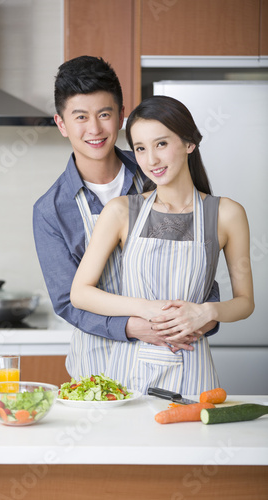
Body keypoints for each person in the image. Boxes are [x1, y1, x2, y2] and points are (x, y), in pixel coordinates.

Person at [33, 56, 219, 380]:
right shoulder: (52, 210)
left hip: (176, 356)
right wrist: (135, 327)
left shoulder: (156, 170)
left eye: (104, 114)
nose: (94, 129)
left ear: (121, 116)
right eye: (80, 117)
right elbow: (68, 301)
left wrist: (204, 315)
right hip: (97, 368)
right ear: (61, 124)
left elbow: (201, 253)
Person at [70, 95, 255, 394]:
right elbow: (80, 293)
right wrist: (147, 309)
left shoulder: (227, 214)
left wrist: (207, 312)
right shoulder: (120, 212)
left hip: (194, 369)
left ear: (189, 143)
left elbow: (245, 302)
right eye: (140, 149)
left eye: (161, 144)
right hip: (127, 371)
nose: (151, 160)